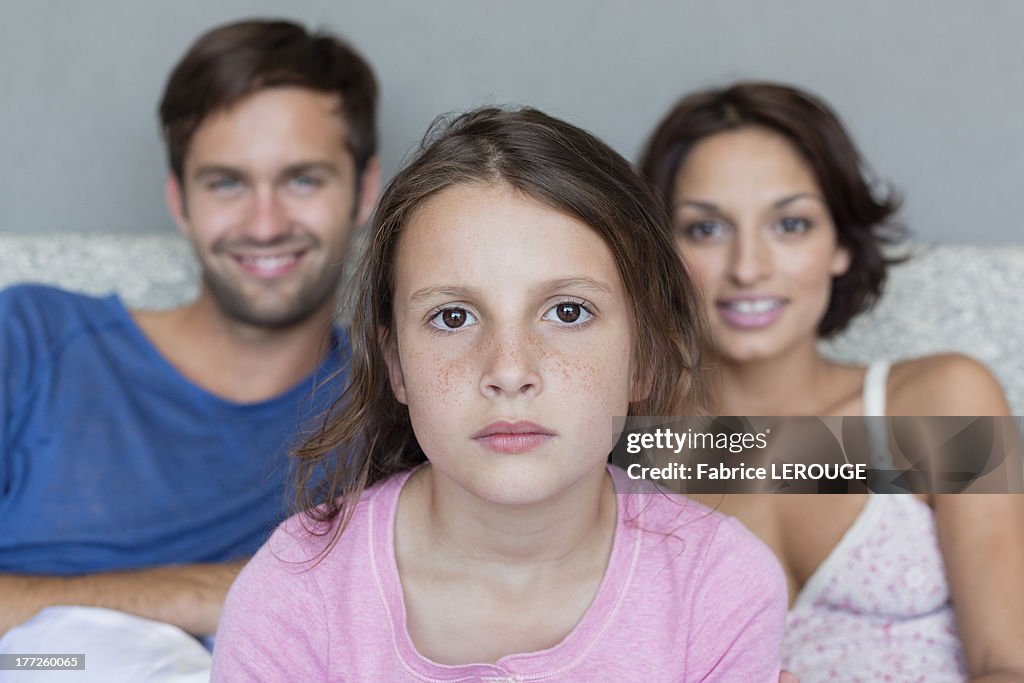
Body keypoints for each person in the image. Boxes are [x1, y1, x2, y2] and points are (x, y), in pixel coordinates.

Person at [210, 107, 787, 681]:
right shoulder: (298, 586)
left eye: (567, 312)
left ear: (646, 356)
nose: (509, 371)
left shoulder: (722, 579)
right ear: (397, 366)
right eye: (454, 316)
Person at [0, 18, 379, 646]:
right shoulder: (30, 340)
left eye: (302, 180)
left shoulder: (397, 406)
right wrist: (207, 592)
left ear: (363, 190)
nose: (264, 225)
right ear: (179, 201)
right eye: (227, 182)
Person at [639, 81, 1024, 681]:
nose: (748, 268)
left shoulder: (943, 401)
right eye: (706, 229)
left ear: (840, 244)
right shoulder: (630, 449)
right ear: (660, 253)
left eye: (789, 224)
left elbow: (1007, 663)